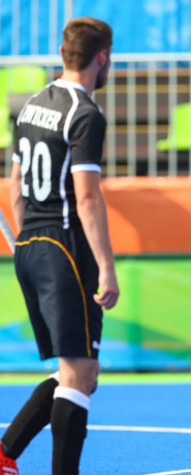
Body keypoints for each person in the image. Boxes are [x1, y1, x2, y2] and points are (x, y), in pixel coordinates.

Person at [0, 17, 119, 475]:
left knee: (82, 369)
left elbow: (14, 183)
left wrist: (24, 239)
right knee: (78, 374)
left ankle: (6, 450)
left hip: (31, 241)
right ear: (102, 57)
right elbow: (87, 196)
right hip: (64, 247)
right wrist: (106, 267)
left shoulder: (31, 104)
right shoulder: (86, 113)